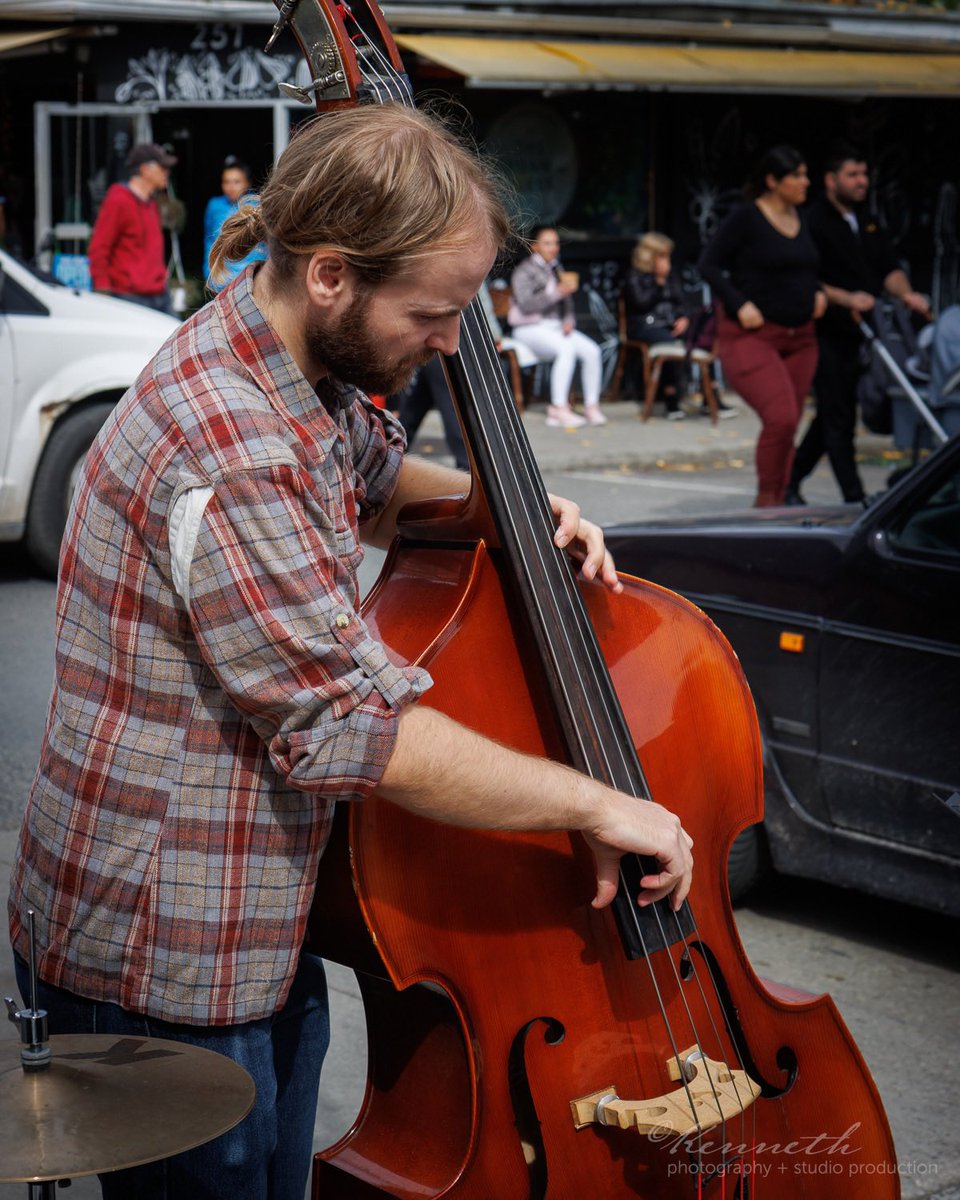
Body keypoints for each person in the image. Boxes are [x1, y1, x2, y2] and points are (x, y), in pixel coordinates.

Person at [8, 104, 692, 1200]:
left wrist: (507, 506)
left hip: (256, 916)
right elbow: (348, 729)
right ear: (331, 273)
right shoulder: (228, 442)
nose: (451, 341)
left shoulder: (286, 345)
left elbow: (373, 479)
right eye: (433, 311)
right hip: (170, 950)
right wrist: (598, 803)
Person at [786, 143, 932, 505]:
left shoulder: (865, 219)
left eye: (864, 174)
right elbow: (805, 278)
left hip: (861, 335)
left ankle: (789, 483)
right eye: (852, 175)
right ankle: (855, 499)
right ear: (831, 179)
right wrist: (846, 299)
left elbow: (888, 267)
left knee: (832, 416)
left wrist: (907, 294)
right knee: (839, 417)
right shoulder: (812, 221)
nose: (861, 181)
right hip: (824, 332)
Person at [699, 145, 826, 506]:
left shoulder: (804, 218)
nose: (806, 181)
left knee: (790, 424)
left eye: (805, 173)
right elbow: (708, 265)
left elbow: (806, 268)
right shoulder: (747, 218)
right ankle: (767, 504)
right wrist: (739, 303)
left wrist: (817, 290)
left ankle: (782, 498)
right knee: (781, 418)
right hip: (752, 336)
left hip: (802, 338)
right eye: (797, 175)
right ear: (773, 180)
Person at [508, 225, 606, 428]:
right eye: (547, 243)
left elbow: (567, 303)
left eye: (555, 243)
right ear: (534, 247)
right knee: (566, 349)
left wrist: (569, 320)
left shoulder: (556, 268)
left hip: (555, 327)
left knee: (592, 351)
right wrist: (556, 293)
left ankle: (591, 405)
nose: (553, 247)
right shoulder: (524, 270)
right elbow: (525, 303)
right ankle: (558, 407)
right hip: (530, 327)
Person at [87, 141, 178, 315]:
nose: (167, 173)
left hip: (159, 294)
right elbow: (99, 249)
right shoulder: (118, 200)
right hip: (129, 298)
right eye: (162, 167)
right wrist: (103, 293)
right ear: (145, 170)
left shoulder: (151, 202)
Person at [623, 231, 691, 419]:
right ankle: (671, 398)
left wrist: (683, 318)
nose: (666, 260)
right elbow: (640, 303)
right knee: (669, 345)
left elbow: (682, 301)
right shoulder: (634, 275)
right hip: (645, 326)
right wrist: (659, 282)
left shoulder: (672, 274)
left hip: (670, 324)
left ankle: (712, 396)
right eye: (662, 255)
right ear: (650, 255)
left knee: (700, 338)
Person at [203, 156, 267, 291]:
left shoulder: (257, 205)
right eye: (226, 182)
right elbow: (210, 239)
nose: (230, 187)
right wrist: (209, 271)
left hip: (251, 278)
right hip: (222, 279)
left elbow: (264, 244)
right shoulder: (215, 205)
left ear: (247, 183)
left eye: (236, 181)